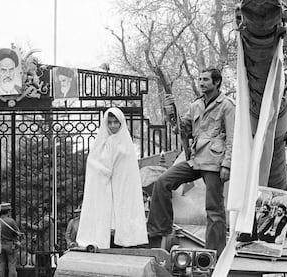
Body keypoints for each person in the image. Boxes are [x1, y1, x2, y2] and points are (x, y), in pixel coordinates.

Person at [147, 67, 235, 255]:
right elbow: (182, 128)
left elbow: (233, 137)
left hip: (214, 162)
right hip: (195, 160)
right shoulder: (196, 105)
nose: (201, 83)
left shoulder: (227, 105)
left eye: (205, 79)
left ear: (217, 82)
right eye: (200, 79)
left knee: (214, 208)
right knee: (163, 182)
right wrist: (171, 112)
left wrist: (227, 164)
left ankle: (215, 252)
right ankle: (160, 231)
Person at [76, 107, 148, 249]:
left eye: (116, 122)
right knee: (104, 212)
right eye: (110, 122)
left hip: (123, 185)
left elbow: (129, 169)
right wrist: (103, 171)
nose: (113, 125)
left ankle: (127, 238)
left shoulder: (127, 144)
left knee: (124, 209)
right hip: (104, 184)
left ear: (122, 123)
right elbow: (94, 162)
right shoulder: (101, 141)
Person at [0, 203, 21, 277]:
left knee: (1, 264)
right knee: (11, 264)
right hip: (10, 245)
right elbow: (17, 232)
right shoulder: (11, 221)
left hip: (0, 244)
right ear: (8, 211)